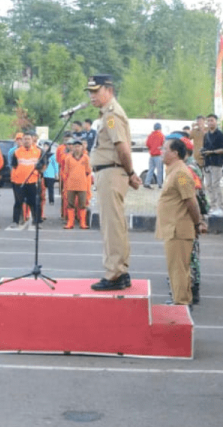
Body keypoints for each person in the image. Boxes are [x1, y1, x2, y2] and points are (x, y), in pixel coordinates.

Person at [86, 74, 141, 291]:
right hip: (109, 172)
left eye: (95, 91)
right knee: (112, 224)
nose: (92, 96)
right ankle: (118, 271)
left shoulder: (111, 115)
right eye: (90, 92)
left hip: (111, 173)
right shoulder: (107, 114)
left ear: (108, 90)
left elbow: (122, 147)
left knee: (112, 226)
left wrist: (131, 172)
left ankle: (116, 273)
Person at [155, 138, 207, 306]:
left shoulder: (181, 174)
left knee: (178, 269)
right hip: (173, 228)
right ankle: (182, 300)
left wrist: (198, 222)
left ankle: (181, 303)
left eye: (164, 149)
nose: (161, 152)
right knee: (177, 269)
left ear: (175, 153)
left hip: (178, 229)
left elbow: (191, 200)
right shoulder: (173, 171)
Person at [201, 114, 223, 217]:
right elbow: (204, 147)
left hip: (217, 163)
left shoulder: (220, 135)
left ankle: (221, 207)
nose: (210, 123)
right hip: (207, 162)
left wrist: (212, 152)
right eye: (208, 121)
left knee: (216, 185)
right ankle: (213, 207)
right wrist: (204, 153)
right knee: (208, 185)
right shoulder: (206, 135)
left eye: (212, 120)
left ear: (216, 122)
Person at [62, 139, 92, 230]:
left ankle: (82, 223)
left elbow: (88, 171)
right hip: (71, 184)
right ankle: (70, 223)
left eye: (79, 146)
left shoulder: (86, 158)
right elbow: (66, 171)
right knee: (70, 204)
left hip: (82, 185)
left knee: (82, 204)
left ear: (82, 147)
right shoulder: (68, 158)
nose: (77, 148)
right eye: (75, 146)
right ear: (73, 148)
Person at [145, 123, 165, 189]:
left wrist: (151, 148)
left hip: (151, 155)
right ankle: (160, 184)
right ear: (160, 128)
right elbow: (164, 144)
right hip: (158, 155)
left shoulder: (150, 135)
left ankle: (147, 183)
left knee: (150, 170)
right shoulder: (161, 135)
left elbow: (147, 144)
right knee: (159, 170)